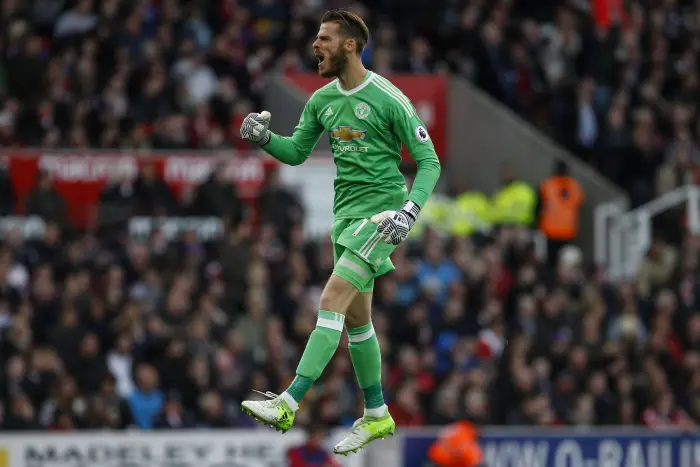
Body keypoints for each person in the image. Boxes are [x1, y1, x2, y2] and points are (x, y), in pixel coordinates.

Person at [238, 8, 441, 455]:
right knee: (357, 322)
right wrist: (264, 139)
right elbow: (295, 152)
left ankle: (289, 400)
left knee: (329, 300)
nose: (316, 46)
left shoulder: (389, 98)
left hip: (381, 217)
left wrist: (407, 212)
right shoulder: (322, 101)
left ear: (349, 45)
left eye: (324, 39)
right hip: (344, 220)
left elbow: (430, 162)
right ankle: (376, 414)